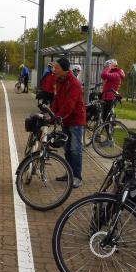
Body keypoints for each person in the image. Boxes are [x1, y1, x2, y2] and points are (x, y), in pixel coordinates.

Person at [51, 56, 86, 188]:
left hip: (76, 120)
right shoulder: (59, 81)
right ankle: (69, 173)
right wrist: (52, 113)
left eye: (57, 67)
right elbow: (57, 100)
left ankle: (77, 177)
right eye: (54, 67)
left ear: (65, 69)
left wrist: (57, 117)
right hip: (65, 120)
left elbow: (69, 105)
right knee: (67, 149)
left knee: (75, 149)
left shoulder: (74, 83)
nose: (54, 69)